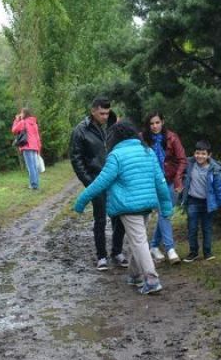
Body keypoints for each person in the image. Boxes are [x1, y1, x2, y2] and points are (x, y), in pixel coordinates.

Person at [73, 120, 172, 295]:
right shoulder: (147, 152)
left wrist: (81, 201)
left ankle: (151, 279)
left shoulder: (116, 156)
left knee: (139, 241)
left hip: (128, 206)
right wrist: (166, 207)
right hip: (146, 204)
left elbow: (100, 183)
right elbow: (161, 182)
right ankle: (135, 276)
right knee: (137, 240)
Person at [69, 96, 127, 270]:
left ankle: (117, 251)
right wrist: (89, 182)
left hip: (116, 178)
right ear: (93, 110)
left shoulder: (114, 126)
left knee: (120, 216)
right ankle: (101, 256)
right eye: (101, 113)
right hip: (96, 179)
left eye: (107, 113)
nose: (104, 116)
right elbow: (76, 158)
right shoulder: (80, 130)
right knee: (100, 218)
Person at [145, 112, 187, 264]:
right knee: (164, 212)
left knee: (165, 214)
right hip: (154, 182)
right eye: (151, 124)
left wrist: (178, 179)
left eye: (157, 122)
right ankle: (170, 248)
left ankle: (155, 246)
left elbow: (182, 159)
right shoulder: (144, 139)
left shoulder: (172, 137)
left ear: (162, 122)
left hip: (171, 180)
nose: (155, 126)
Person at [179, 140, 221, 261]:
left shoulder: (214, 169)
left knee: (207, 228)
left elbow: (219, 188)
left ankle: (207, 252)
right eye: (197, 153)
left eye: (203, 154)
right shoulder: (190, 164)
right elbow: (179, 168)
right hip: (193, 201)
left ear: (209, 155)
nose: (199, 156)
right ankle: (193, 251)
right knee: (192, 228)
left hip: (208, 203)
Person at [11, 108, 42, 190]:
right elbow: (37, 136)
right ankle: (36, 184)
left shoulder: (23, 122)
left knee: (30, 167)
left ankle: (34, 185)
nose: (20, 114)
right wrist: (39, 147)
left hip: (27, 146)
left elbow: (14, 130)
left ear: (24, 114)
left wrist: (16, 120)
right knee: (34, 166)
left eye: (21, 113)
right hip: (35, 146)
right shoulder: (34, 123)